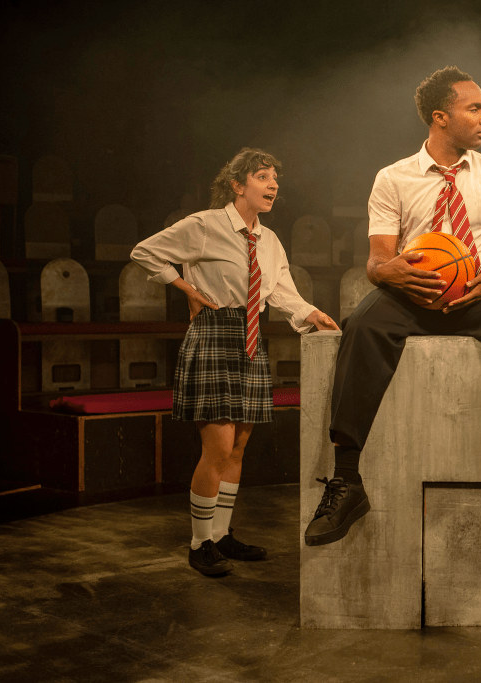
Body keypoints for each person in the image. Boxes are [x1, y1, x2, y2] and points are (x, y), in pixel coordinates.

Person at [303, 66, 481, 551]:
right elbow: (377, 261)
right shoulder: (393, 177)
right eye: (475, 108)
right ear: (440, 117)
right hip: (412, 293)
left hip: (478, 291)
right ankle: (346, 481)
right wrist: (389, 273)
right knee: (360, 326)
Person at [132, 148, 339, 576]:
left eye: (275, 179)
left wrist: (312, 314)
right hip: (214, 333)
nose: (273, 185)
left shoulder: (270, 240)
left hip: (251, 338)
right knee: (219, 447)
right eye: (263, 177)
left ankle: (221, 534)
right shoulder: (205, 225)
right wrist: (185, 288)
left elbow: (281, 292)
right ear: (237, 184)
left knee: (239, 446)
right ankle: (199, 544)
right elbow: (144, 252)